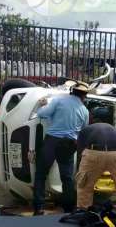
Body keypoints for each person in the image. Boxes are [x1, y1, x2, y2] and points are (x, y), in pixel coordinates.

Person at [33, 82, 89, 215]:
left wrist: (42, 105)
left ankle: (39, 208)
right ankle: (68, 209)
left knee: (41, 174)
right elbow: (83, 131)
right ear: (84, 96)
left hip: (52, 141)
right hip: (70, 144)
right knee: (67, 178)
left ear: (71, 91)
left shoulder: (58, 101)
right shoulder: (85, 111)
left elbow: (41, 114)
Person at [76, 108, 116, 214]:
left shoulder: (87, 129)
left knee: (84, 182)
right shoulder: (114, 129)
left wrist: (82, 171)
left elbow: (81, 150)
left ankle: (83, 210)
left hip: (95, 152)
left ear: (94, 119)